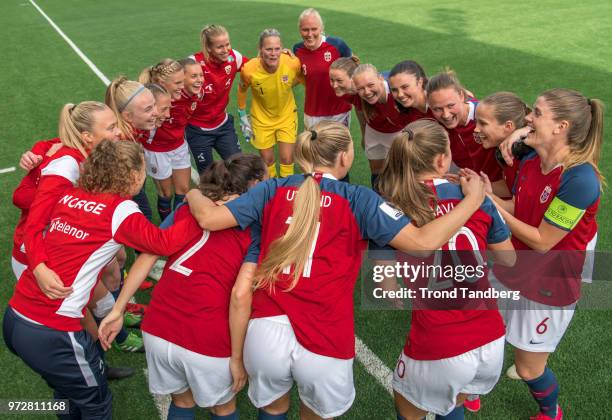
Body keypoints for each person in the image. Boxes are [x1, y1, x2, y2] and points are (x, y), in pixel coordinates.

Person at [185, 121, 488, 419]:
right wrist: (473, 200)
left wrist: (192, 193)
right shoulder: (360, 199)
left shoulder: (272, 189)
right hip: (324, 334)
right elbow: (423, 243)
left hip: (265, 331)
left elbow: (209, 220)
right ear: (344, 157)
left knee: (273, 410)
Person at [4, 140, 201, 419]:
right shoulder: (120, 210)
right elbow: (164, 243)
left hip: (15, 318)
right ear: (133, 176)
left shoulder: (70, 195)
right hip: (52, 331)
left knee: (66, 394)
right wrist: (194, 206)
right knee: (96, 405)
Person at [98, 153, 268, 420]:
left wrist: (118, 309)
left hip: (157, 327)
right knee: (222, 408)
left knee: (182, 401)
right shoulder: (255, 226)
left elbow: (148, 255)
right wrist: (237, 357)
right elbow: (240, 296)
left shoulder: (187, 208)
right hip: (206, 334)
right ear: (254, 185)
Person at [377, 119, 515, 420]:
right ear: (443, 159)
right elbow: (509, 260)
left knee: (408, 407)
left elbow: (385, 278)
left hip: (441, 340)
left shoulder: (394, 205)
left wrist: (391, 288)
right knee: (453, 402)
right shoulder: (476, 200)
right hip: (491, 337)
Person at [485, 89, 603, 420]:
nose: (528, 118)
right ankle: (471, 389)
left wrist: (487, 204)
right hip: (514, 266)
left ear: (560, 126)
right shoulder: (531, 160)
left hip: (548, 285)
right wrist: (485, 194)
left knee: (528, 369)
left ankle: (550, 411)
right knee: (482, 325)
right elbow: (517, 206)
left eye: (536, 113)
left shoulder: (580, 180)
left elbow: (542, 240)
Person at [426, 70, 507, 196]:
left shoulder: (487, 114)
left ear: (462, 96)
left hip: (504, 192)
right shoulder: (435, 123)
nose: (446, 115)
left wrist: (520, 132)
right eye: (437, 109)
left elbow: (518, 114)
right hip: (476, 190)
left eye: (450, 105)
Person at [238, 28, 303, 179]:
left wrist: (286, 84)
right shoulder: (249, 70)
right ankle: (273, 191)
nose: (273, 53)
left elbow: (301, 78)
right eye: (268, 49)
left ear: (282, 48)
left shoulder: (292, 63)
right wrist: (242, 114)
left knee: (287, 159)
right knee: (268, 161)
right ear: (260, 50)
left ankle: (287, 191)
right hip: (261, 119)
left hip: (286, 116)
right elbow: (242, 90)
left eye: (277, 49)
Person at [138, 59, 195, 220]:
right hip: (157, 151)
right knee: (166, 193)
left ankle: (177, 225)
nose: (182, 86)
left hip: (179, 146)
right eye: (177, 83)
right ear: (160, 82)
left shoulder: (186, 95)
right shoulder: (149, 101)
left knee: (183, 189)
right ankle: (167, 226)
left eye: (183, 81)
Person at [187, 25, 246, 173]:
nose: (226, 50)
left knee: (239, 168)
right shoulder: (193, 63)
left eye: (227, 44)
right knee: (208, 175)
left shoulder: (234, 57)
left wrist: (281, 56)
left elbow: (257, 67)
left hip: (223, 125)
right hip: (198, 130)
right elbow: (172, 81)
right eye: (220, 47)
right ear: (208, 48)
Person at [350, 63, 414, 189]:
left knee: (402, 169)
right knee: (376, 169)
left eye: (370, 85)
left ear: (380, 78)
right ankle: (378, 197)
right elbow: (359, 109)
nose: (367, 92)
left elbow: (426, 88)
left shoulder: (398, 89)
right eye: (361, 88)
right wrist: (364, 133)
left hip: (399, 132)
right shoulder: (354, 93)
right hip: (374, 132)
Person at [105, 76, 159, 221]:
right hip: (122, 186)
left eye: (154, 105)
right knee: (143, 215)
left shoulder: (132, 128)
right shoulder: (119, 141)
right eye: (148, 109)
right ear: (128, 116)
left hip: (130, 180)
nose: (156, 112)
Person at [293, 8, 353, 130]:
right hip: (312, 113)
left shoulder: (337, 45)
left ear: (321, 28)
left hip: (339, 112)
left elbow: (354, 66)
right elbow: (297, 77)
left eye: (314, 29)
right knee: (313, 148)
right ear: (300, 30)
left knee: (339, 148)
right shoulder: (297, 50)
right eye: (305, 30)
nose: (310, 34)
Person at [473, 91, 532, 198]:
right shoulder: (506, 150)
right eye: (476, 122)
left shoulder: (525, 156)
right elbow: (509, 187)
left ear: (508, 126)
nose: (476, 129)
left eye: (483, 123)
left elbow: (518, 208)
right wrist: (475, 185)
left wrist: (478, 192)